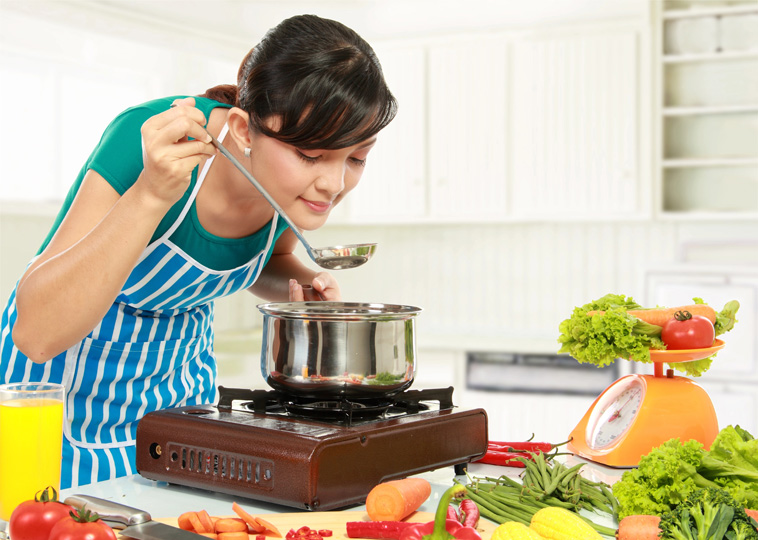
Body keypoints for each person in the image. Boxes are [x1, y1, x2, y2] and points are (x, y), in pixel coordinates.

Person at [0, 14, 397, 489]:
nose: (333, 184)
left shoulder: (292, 192)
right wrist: (150, 194)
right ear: (245, 131)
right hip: (60, 409)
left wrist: (299, 289)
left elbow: (266, 260)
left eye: (356, 158)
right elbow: (36, 332)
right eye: (311, 155)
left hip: (177, 409)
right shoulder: (155, 146)